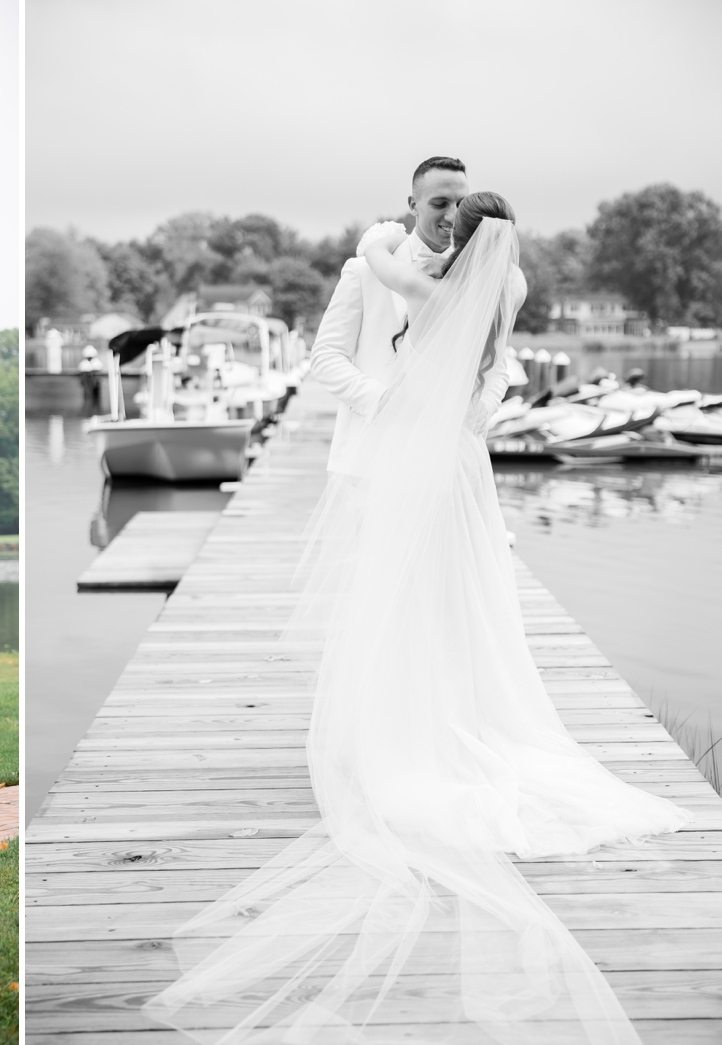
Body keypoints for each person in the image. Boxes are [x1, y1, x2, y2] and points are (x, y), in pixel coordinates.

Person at [143, 193, 690, 1042]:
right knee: (436, 600)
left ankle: (421, 732)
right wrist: (411, 402)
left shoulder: (419, 273)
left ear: (459, 228)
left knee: (423, 599)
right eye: (432, 201)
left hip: (437, 459)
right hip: (430, 459)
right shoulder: (492, 282)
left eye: (451, 209)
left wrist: (439, 379)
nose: (438, 220)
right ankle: (434, 716)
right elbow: (390, 357)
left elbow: (417, 291)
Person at [310, 156, 496, 474]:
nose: (453, 215)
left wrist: (485, 407)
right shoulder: (364, 271)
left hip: (450, 462)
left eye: (461, 204)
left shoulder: (480, 277)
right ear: (413, 204)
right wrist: (381, 400)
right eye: (440, 203)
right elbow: (325, 357)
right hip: (370, 460)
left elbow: (498, 360)